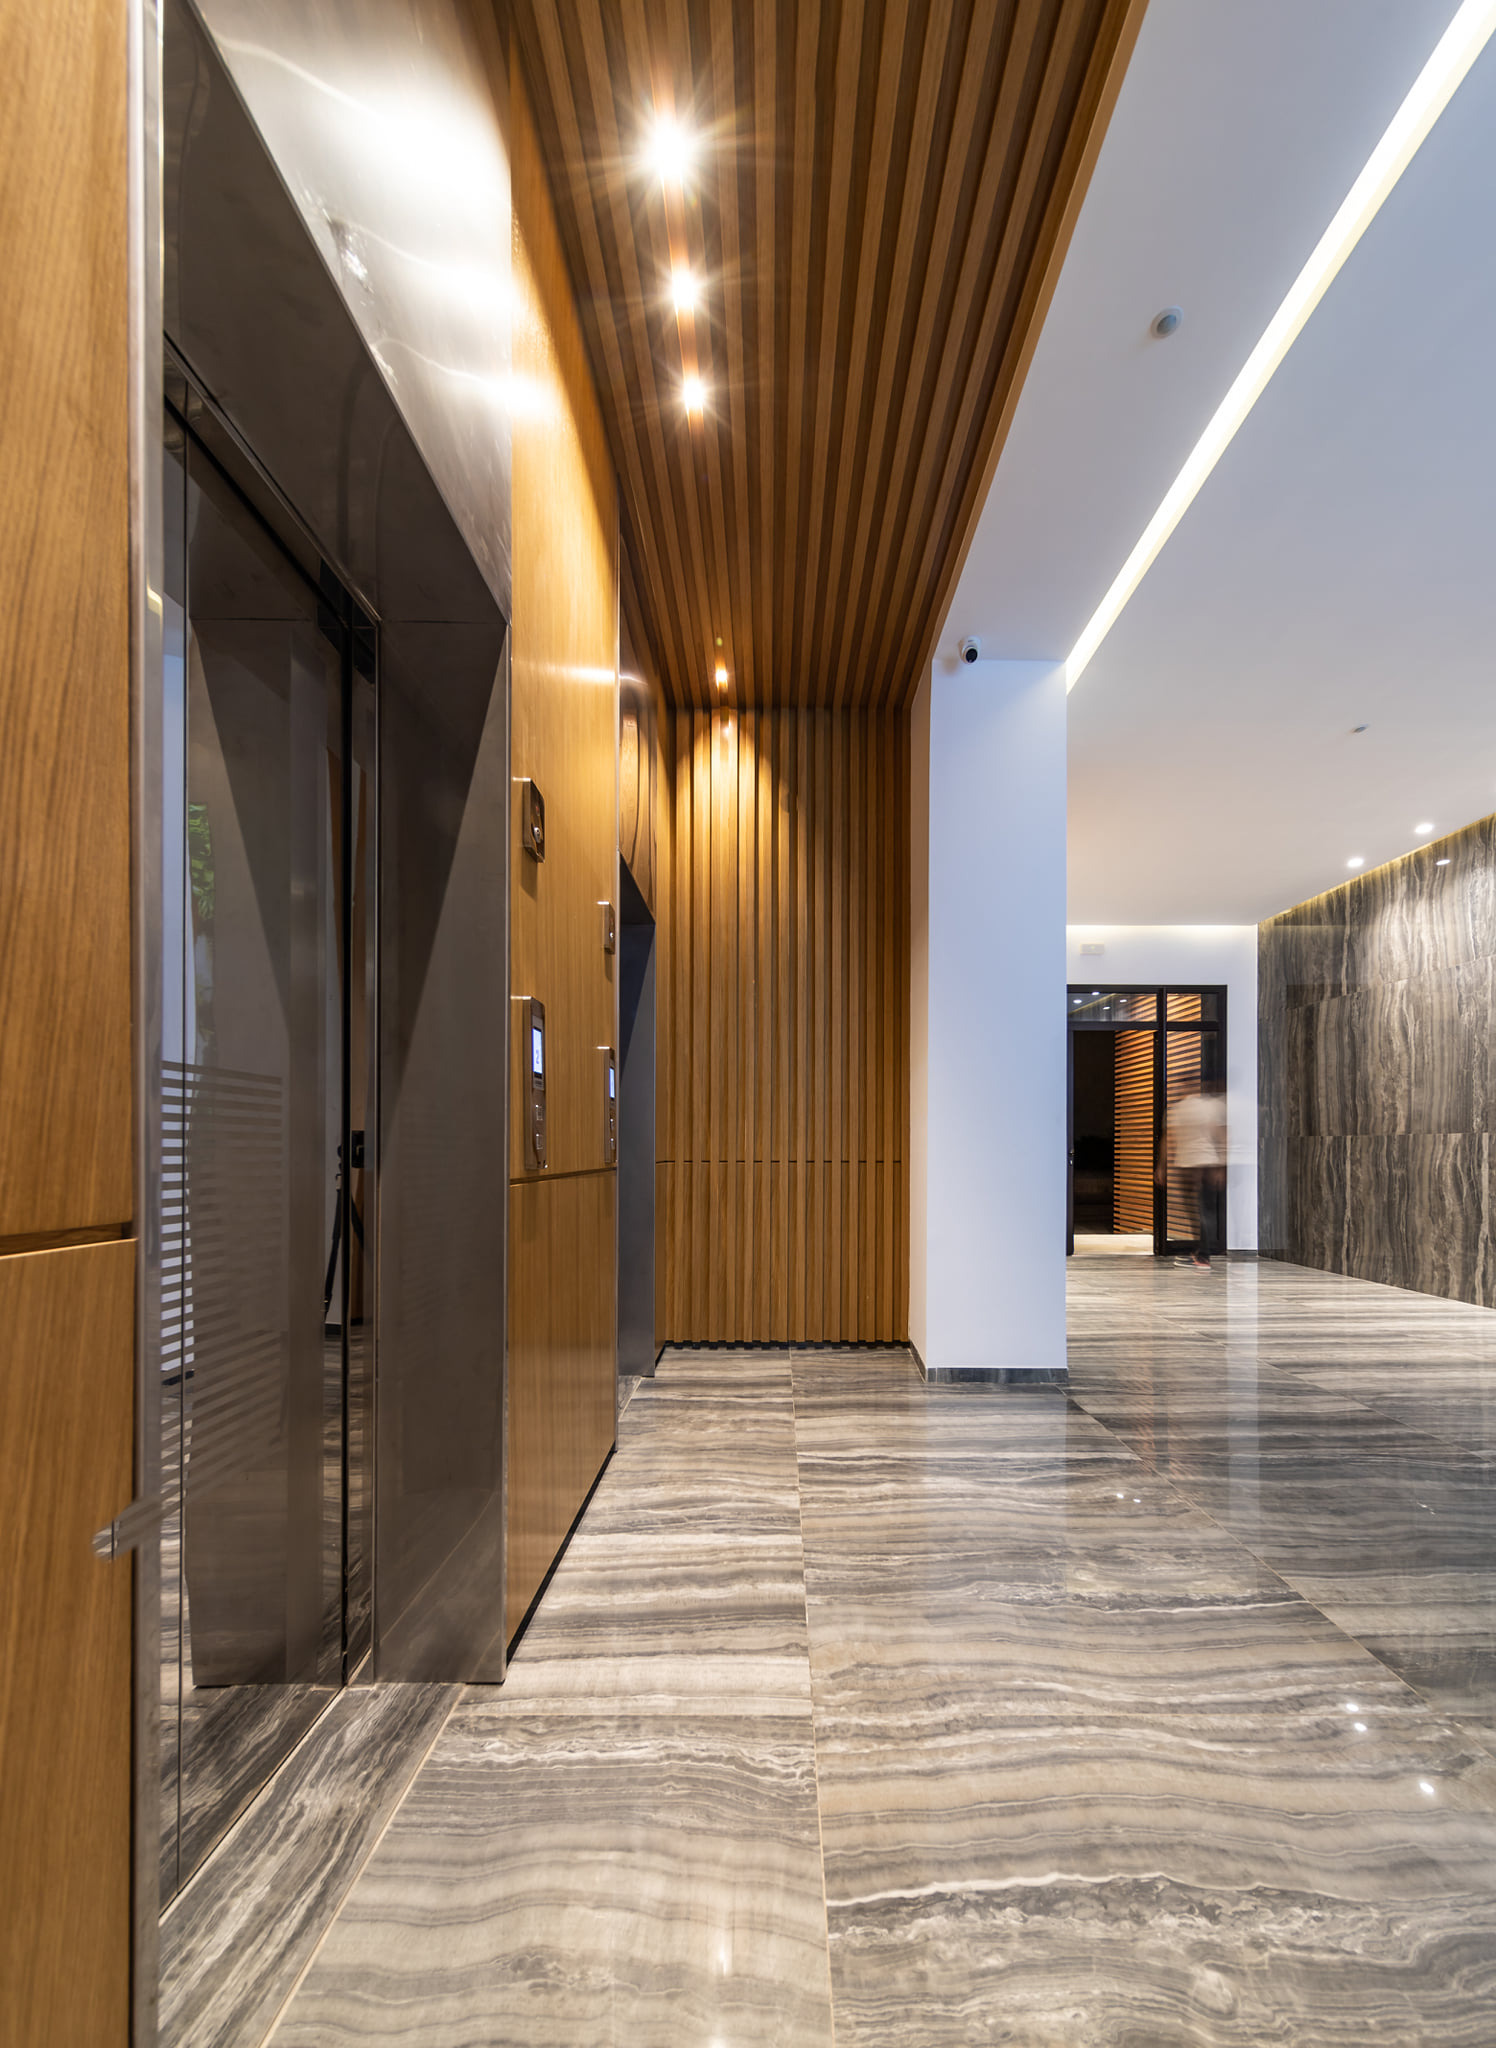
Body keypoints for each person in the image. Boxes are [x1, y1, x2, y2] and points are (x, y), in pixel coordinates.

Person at [1162, 1077, 1227, 1268]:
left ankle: (1204, 1255)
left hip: (1190, 1164)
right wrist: (1221, 1165)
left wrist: (1161, 1166)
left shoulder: (1177, 1109)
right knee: (1206, 1208)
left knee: (1198, 1210)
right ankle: (1205, 1250)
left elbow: (1167, 1139)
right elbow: (1221, 1136)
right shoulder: (1211, 1107)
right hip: (1208, 1162)